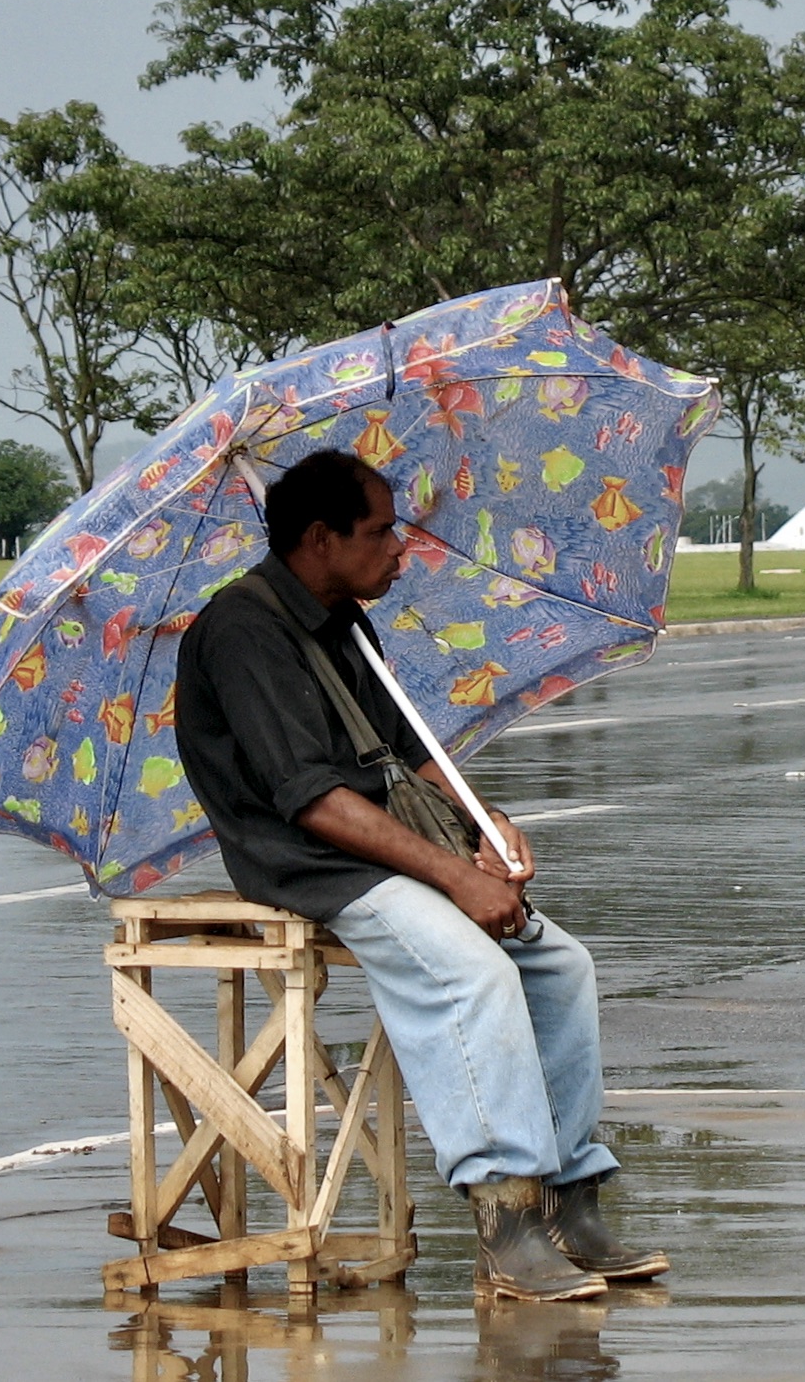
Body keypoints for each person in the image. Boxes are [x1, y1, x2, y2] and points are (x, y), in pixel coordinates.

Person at [174, 448, 667, 1302]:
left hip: (383, 843)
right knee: (472, 971)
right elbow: (315, 800)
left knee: (558, 967)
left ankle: (569, 1198)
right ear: (321, 537)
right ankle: (507, 1219)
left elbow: (408, 760)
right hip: (314, 865)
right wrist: (456, 877)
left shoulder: (344, 622)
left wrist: (489, 830)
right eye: (381, 529)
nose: (400, 546)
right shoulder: (244, 630)